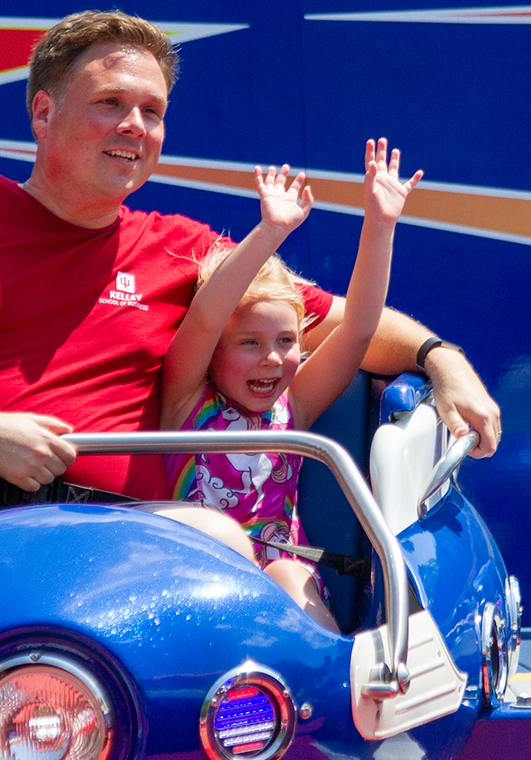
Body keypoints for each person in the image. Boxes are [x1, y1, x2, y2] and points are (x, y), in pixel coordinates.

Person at [0, 9, 502, 590]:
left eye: (152, 111)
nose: (135, 125)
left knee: (220, 538)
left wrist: (444, 361)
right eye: (110, 103)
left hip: (117, 543)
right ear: (43, 113)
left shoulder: (183, 249)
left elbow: (348, 325)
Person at [162, 141, 420, 631]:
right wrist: (270, 232)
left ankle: (331, 682)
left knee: (284, 572)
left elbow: (360, 326)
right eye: (249, 343)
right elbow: (203, 321)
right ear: (215, 349)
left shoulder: (292, 405)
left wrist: (380, 224)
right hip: (197, 583)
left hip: (283, 582)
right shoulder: (185, 402)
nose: (273, 358)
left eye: (285, 340)